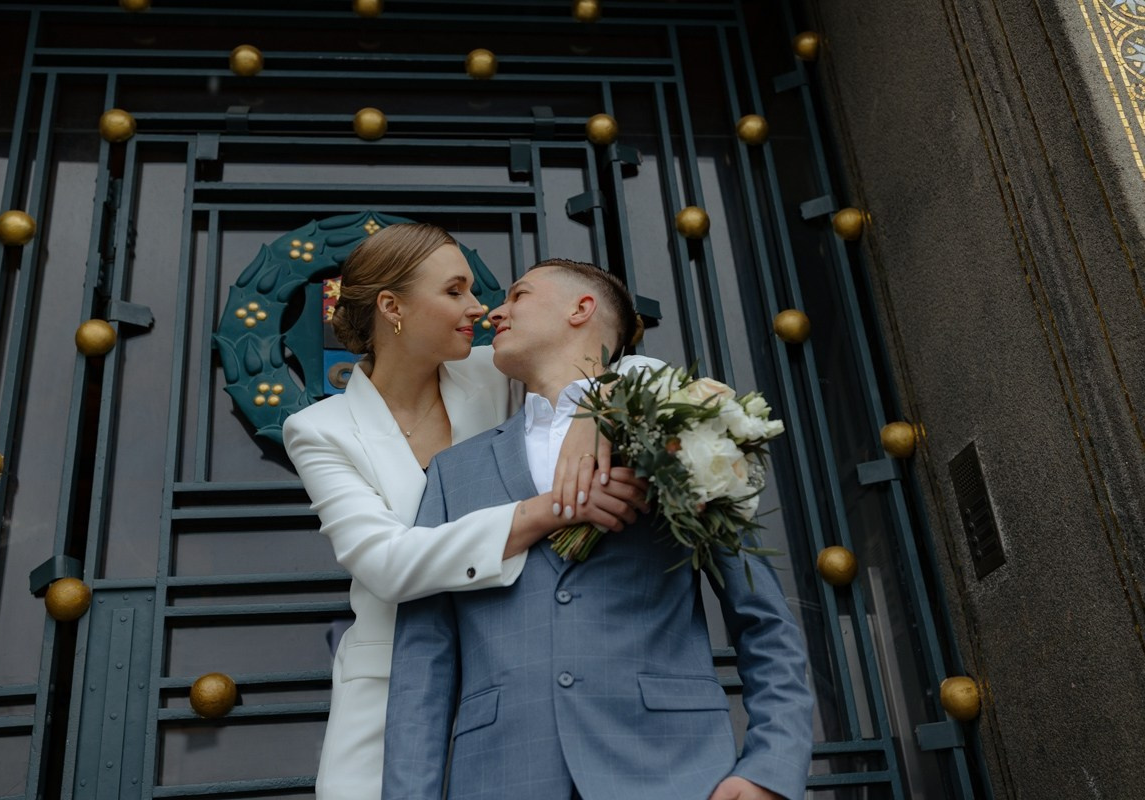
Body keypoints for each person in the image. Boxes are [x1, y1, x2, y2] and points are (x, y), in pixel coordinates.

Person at [382, 259, 814, 800]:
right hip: (501, 776)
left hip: (673, 771)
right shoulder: (453, 471)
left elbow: (764, 621)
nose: (496, 311)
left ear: (580, 309)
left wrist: (771, 768)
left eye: (518, 295)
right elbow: (424, 661)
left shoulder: (685, 425)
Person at [282, 225, 659, 800]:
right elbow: (385, 563)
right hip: (389, 687)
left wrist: (595, 408)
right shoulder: (319, 431)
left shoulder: (496, 372)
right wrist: (551, 510)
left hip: (513, 669)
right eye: (455, 291)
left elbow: (626, 368)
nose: (481, 308)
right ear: (393, 308)